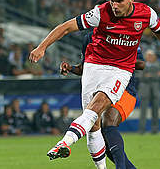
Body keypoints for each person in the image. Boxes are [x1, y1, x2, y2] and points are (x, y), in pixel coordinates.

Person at [29, 0, 160, 168]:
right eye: (111, 1)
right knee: (93, 126)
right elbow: (67, 26)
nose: (114, 6)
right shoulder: (100, 13)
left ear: (131, 0)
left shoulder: (146, 14)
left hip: (121, 70)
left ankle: (65, 142)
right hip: (94, 66)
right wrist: (42, 47)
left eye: (119, 1)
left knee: (98, 108)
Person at [60, 29, 145, 168]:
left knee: (108, 122)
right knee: (103, 140)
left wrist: (116, 58)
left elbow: (141, 64)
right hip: (101, 92)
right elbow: (84, 68)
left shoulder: (124, 35)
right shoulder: (89, 38)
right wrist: (70, 68)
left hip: (124, 89)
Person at [138, 50, 160, 134]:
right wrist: (153, 75)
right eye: (149, 55)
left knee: (155, 111)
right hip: (145, 91)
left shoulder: (158, 65)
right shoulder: (141, 65)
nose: (150, 57)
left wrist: (149, 76)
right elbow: (141, 77)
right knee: (143, 112)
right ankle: (142, 129)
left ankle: (155, 129)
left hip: (155, 91)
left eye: (152, 56)